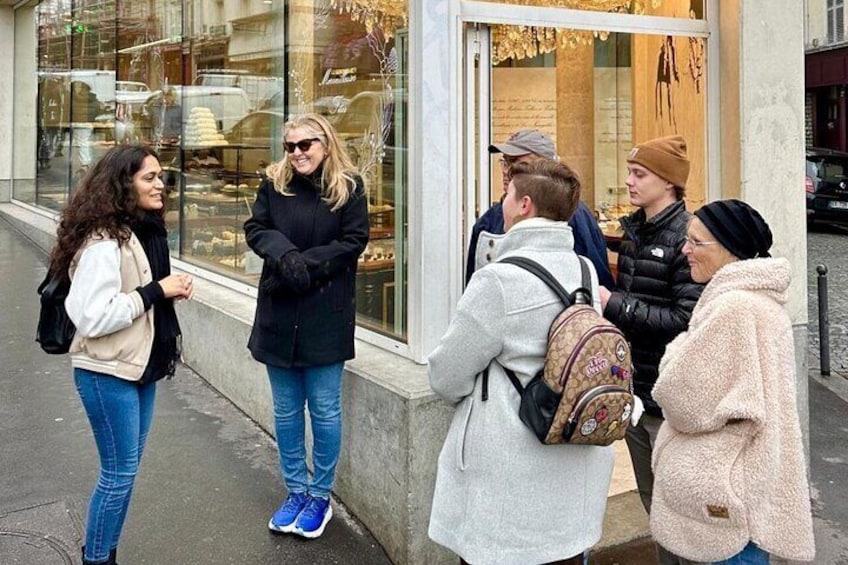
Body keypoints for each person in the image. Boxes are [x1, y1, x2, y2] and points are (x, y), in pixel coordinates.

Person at [428, 160, 613, 565]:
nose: (503, 202)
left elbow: (446, 375)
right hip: (573, 462)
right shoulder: (582, 268)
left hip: (511, 475)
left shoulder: (498, 281)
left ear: (524, 204)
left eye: (507, 194)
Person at [49, 145, 193, 565]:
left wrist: (164, 292)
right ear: (122, 183)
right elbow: (92, 316)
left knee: (125, 474)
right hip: (105, 370)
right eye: (149, 177)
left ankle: (104, 552)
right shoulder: (103, 241)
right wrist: (155, 292)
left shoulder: (141, 231)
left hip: (136, 365)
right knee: (118, 475)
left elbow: (137, 295)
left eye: (161, 176)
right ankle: (96, 559)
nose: (160, 185)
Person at [650, 199, 815, 564]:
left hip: (728, 499)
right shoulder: (762, 302)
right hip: (751, 488)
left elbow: (681, 400)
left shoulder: (733, 308)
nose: (684, 250)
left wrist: (678, 349)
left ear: (730, 248)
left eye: (696, 242)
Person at [243, 113, 369, 539]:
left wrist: (305, 265)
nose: (296, 153)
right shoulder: (273, 184)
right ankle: (295, 490)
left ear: (325, 144)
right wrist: (283, 255)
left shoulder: (348, 188)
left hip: (325, 315)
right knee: (285, 411)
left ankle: (320, 496)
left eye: (305, 145)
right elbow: (256, 228)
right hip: (278, 314)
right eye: (290, 146)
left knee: (325, 411)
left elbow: (353, 242)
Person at [597, 134, 703, 565]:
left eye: (639, 174)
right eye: (629, 173)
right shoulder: (636, 231)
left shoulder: (688, 237)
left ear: (669, 182)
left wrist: (613, 303)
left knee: (680, 507)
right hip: (637, 391)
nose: (628, 182)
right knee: (652, 501)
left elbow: (685, 319)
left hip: (670, 398)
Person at [466, 129, 614, 288]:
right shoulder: (489, 220)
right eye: (505, 161)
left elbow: (598, 283)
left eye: (520, 164)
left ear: (547, 167)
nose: (507, 170)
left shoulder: (574, 215)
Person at [70, 81, 104, 173]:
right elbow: (99, 110)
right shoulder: (93, 98)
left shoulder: (74, 98)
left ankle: (85, 163)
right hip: (88, 123)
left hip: (78, 123)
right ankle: (87, 163)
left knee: (81, 143)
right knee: (85, 142)